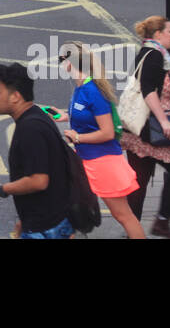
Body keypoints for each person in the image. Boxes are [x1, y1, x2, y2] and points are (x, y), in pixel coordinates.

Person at [0, 62, 73, 239]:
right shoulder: (36, 116)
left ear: (15, 97)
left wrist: (1, 190)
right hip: (49, 220)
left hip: (44, 228)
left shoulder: (30, 129)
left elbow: (39, 180)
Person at [60, 42, 145, 238]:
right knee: (67, 211)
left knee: (123, 215)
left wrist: (78, 137)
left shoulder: (93, 92)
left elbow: (107, 132)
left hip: (103, 162)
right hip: (84, 161)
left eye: (61, 60)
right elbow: (86, 116)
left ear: (69, 64)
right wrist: (64, 116)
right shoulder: (80, 88)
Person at [121, 16, 170, 238]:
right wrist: (164, 121)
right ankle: (160, 222)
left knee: (138, 184)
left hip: (143, 131)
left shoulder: (155, 53)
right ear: (158, 34)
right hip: (152, 129)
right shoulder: (153, 55)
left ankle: (133, 230)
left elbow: (157, 84)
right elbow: (149, 90)